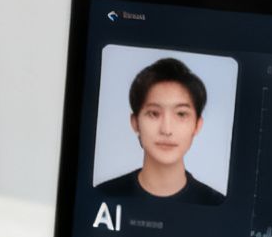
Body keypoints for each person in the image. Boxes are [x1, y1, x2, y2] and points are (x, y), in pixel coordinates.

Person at [96, 57, 225, 206]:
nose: (166, 130)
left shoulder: (216, 205)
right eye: (154, 113)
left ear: (197, 125)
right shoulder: (103, 197)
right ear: (135, 122)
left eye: (181, 114)